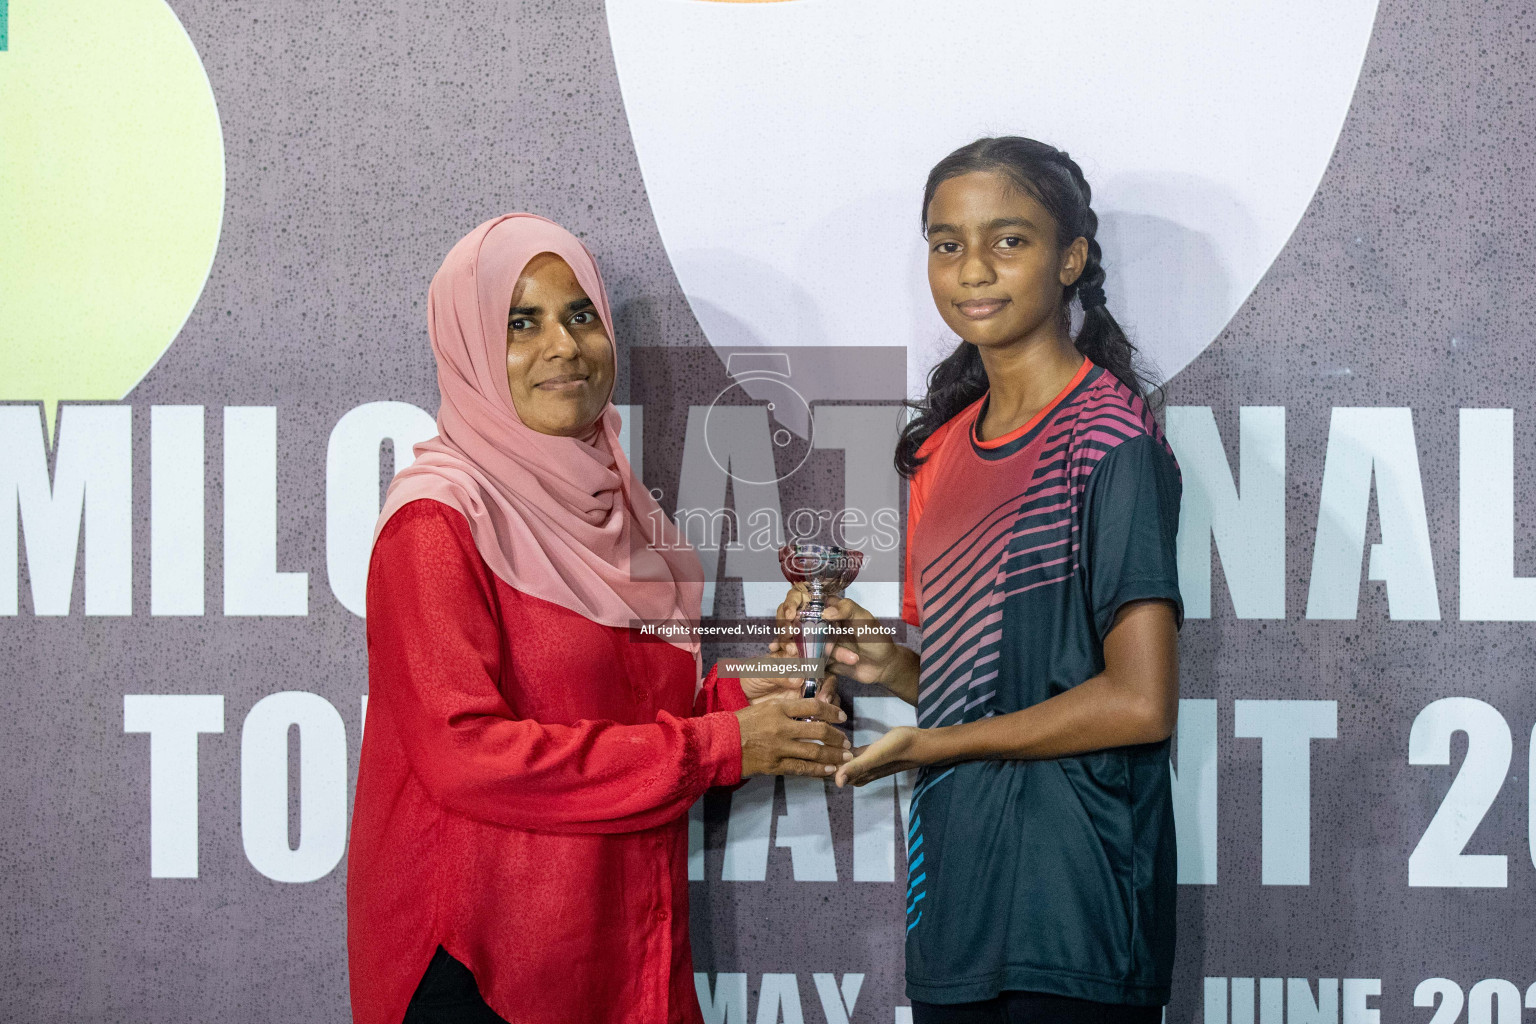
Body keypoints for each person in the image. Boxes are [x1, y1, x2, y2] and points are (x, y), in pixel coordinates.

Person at [346, 213, 850, 1024]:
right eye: (521, 323)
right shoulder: (438, 521)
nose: (564, 346)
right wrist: (719, 745)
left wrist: (751, 696)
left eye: (581, 315)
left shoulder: (625, 516)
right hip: (484, 967)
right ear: (468, 346)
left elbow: (627, 721)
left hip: (618, 951)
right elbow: (465, 755)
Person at [785, 138, 1182, 1022]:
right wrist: (894, 671)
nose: (973, 270)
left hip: (1078, 905)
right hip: (959, 897)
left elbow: (1138, 701)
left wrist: (930, 746)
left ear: (1071, 257)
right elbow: (988, 695)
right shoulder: (938, 451)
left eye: (1009, 241)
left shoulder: (1112, 442)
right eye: (946, 243)